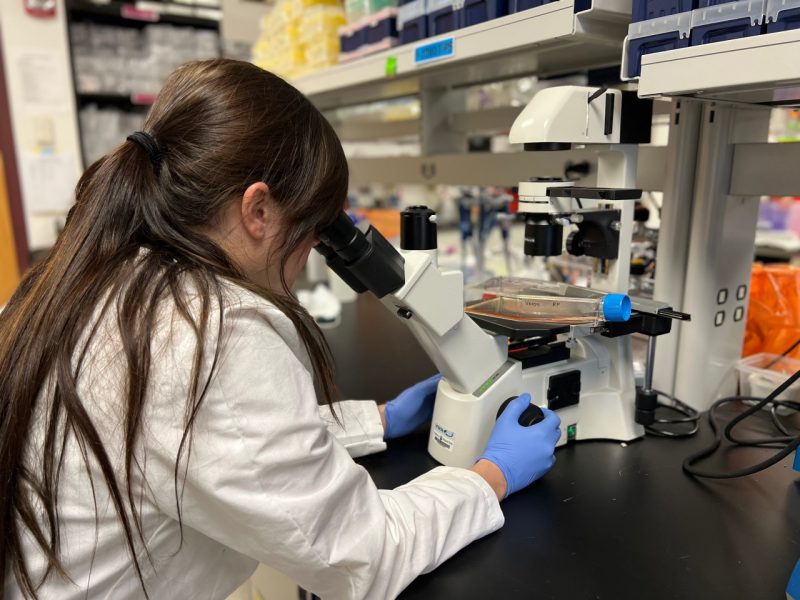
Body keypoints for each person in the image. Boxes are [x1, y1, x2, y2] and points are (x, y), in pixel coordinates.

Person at [0, 59, 561, 600]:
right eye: (315, 232)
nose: (309, 256)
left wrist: (379, 421)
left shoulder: (104, 273)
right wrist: (492, 475)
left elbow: (200, 439)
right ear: (259, 210)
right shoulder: (209, 331)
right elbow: (363, 553)